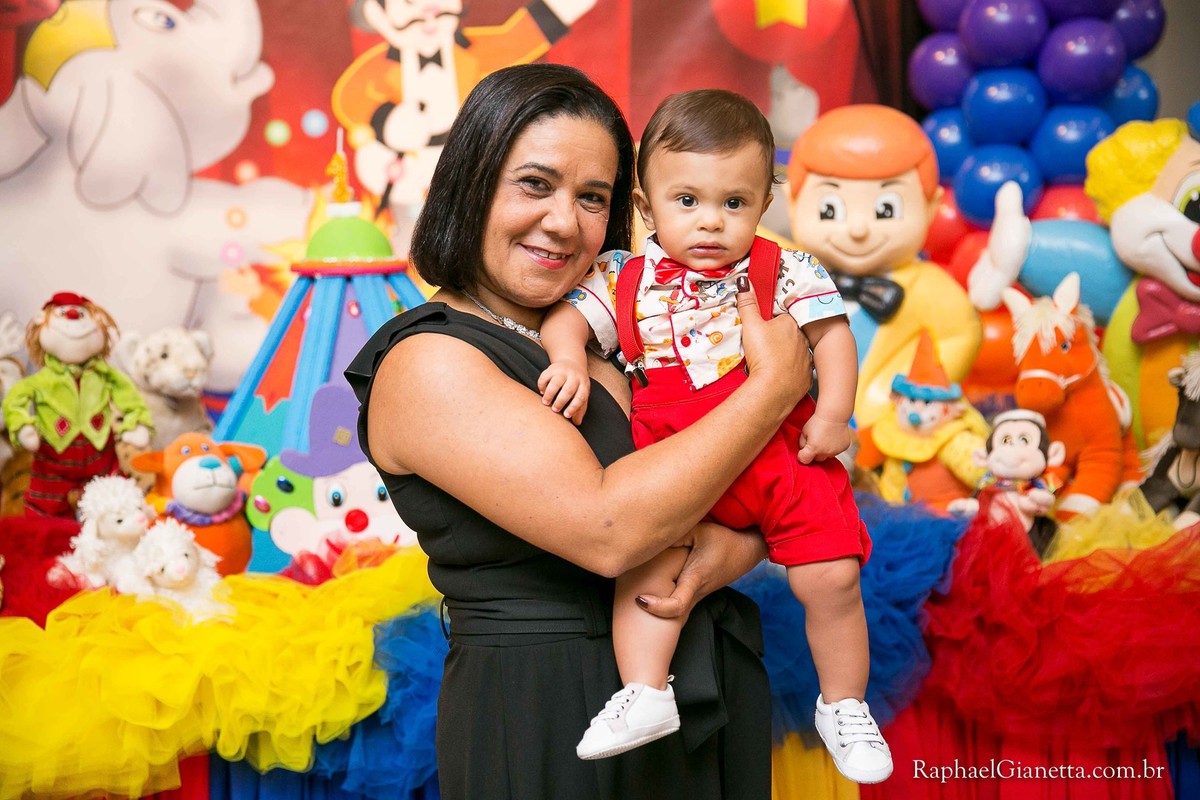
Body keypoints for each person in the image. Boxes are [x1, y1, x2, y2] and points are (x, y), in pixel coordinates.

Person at [346, 64, 813, 800]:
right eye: (535, 184)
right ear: (471, 184)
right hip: (550, 710)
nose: (565, 222)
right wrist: (774, 389)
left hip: (698, 691)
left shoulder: (619, 327)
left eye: (592, 197)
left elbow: (792, 474)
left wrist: (731, 550)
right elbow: (611, 531)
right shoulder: (428, 361)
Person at [537, 89, 892, 783]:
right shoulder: (623, 276)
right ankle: (645, 690)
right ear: (646, 207)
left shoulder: (785, 269)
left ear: (763, 205)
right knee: (650, 569)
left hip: (784, 454)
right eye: (687, 201)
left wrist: (833, 415)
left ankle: (844, 703)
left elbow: (832, 338)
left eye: (734, 203)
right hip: (678, 457)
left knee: (832, 575)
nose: (710, 221)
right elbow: (566, 320)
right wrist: (568, 358)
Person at [788, 104, 981, 431]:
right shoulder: (789, 267)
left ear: (931, 207)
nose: (858, 229)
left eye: (885, 209)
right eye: (830, 209)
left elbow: (960, 335)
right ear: (791, 203)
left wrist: (904, 392)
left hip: (876, 424)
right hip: (790, 421)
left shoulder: (928, 288)